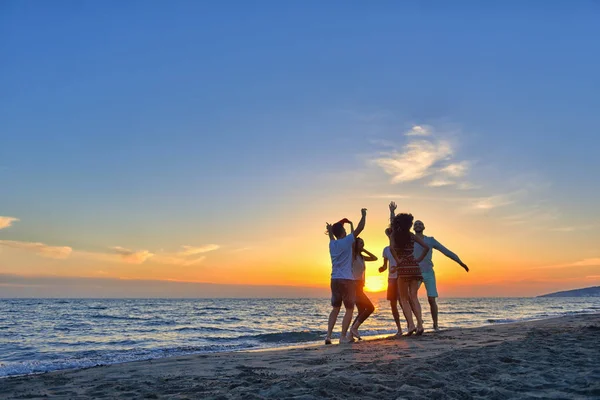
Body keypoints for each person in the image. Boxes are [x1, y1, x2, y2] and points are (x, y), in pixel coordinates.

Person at [413, 220, 469, 331]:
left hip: (429, 272)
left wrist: (460, 263)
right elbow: (394, 233)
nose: (418, 225)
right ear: (413, 228)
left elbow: (446, 252)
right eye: (416, 224)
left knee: (431, 299)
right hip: (415, 273)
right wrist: (392, 212)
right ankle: (419, 321)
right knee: (411, 298)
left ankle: (435, 325)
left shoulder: (430, 240)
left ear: (424, 227)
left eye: (420, 224)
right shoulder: (410, 239)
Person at [325, 208, 367, 344]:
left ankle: (328, 336)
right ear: (343, 232)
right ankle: (342, 336)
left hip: (334, 279)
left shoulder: (332, 243)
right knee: (349, 308)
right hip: (347, 280)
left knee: (335, 309)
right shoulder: (347, 241)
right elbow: (360, 228)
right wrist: (363, 215)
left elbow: (332, 235)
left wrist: (330, 231)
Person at [389, 205, 430, 336]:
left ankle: (411, 325)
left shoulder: (395, 235)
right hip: (414, 267)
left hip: (403, 269)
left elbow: (391, 248)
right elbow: (426, 247)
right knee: (414, 297)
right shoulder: (412, 236)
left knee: (404, 299)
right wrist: (418, 259)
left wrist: (398, 260)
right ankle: (420, 325)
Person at [349, 237, 378, 340]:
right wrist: (356, 247)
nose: (362, 245)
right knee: (370, 308)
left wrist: (363, 250)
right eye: (360, 243)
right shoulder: (352, 256)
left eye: (363, 243)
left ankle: (350, 335)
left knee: (361, 311)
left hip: (360, 286)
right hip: (355, 286)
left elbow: (375, 258)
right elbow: (352, 245)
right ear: (355, 245)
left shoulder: (361, 257)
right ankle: (354, 328)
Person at [378, 227, 402, 337]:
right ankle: (399, 329)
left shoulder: (400, 248)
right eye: (388, 234)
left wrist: (396, 268)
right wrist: (382, 268)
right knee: (393, 304)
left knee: (403, 302)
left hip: (401, 277)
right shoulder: (386, 250)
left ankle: (411, 325)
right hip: (391, 278)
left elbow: (405, 261)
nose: (390, 236)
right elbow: (385, 264)